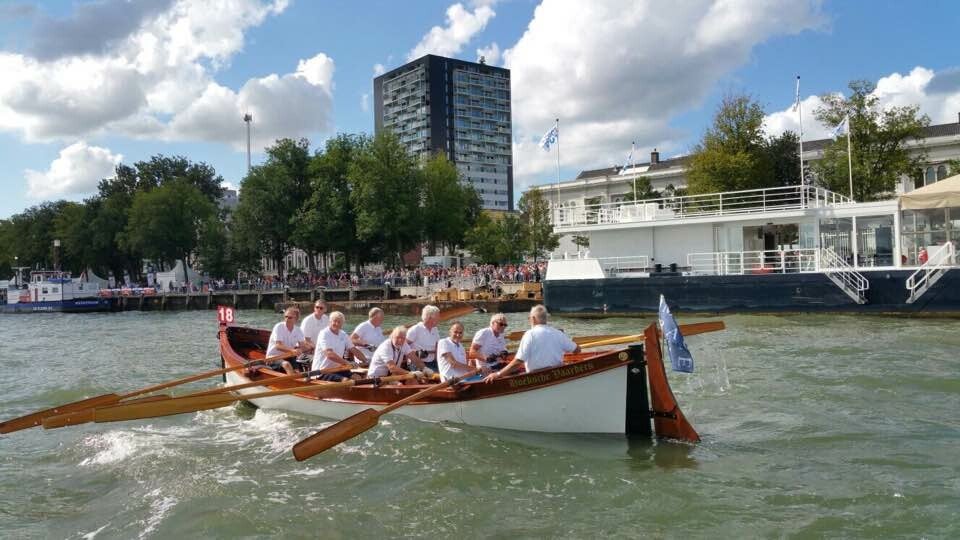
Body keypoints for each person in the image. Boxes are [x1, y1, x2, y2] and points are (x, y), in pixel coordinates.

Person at [484, 305, 579, 383]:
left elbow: (518, 362)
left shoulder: (530, 334)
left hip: (536, 379)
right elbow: (577, 350)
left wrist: (498, 374)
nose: (529, 320)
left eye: (529, 318)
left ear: (533, 319)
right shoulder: (558, 333)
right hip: (557, 374)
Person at [311, 311, 365, 381]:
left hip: (338, 369)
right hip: (322, 371)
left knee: (357, 377)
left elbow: (353, 349)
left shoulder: (343, 334)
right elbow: (329, 354)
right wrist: (347, 363)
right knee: (346, 380)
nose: (336, 324)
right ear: (330, 322)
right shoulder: (324, 334)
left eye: (339, 322)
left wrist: (365, 360)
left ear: (342, 324)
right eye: (334, 321)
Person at [264, 307, 307, 376]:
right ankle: (292, 381)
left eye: (290, 317)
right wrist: (293, 350)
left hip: (288, 356)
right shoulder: (279, 327)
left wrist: (301, 349)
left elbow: (303, 346)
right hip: (273, 357)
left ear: (296, 319)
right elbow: (278, 346)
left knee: (297, 371)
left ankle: (297, 379)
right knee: (286, 364)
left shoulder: (298, 330)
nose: (287, 319)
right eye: (286, 317)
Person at [407, 305, 440, 375]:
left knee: (443, 375)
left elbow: (437, 345)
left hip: (432, 362)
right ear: (430, 318)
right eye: (438, 317)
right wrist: (415, 352)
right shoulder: (415, 329)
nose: (439, 319)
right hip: (416, 363)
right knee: (433, 377)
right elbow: (404, 346)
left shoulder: (435, 329)